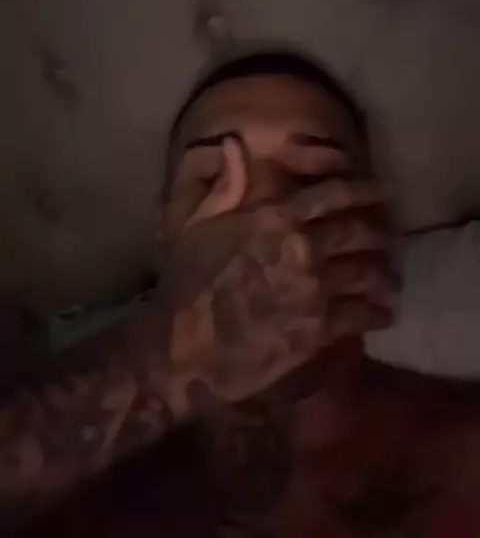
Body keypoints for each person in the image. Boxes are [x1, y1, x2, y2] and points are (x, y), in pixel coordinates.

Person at [2, 50, 480, 537]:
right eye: (212, 181)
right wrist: (177, 354)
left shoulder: (456, 454)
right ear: (164, 237)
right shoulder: (78, 481)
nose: (266, 217)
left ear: (376, 227)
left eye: (313, 178)